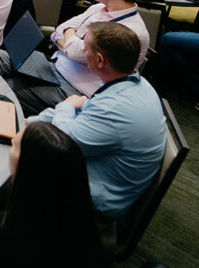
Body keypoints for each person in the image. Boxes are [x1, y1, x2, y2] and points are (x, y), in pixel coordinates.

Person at [29, 22, 167, 220]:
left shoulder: (115, 107)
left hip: (91, 207)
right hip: (97, 175)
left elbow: (63, 142)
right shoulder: (132, 83)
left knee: (16, 163)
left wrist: (66, 105)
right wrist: (29, 121)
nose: (81, 49)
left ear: (100, 60)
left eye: (85, 47)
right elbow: (79, 115)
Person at [0, 0, 149, 116]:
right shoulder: (99, 8)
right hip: (54, 67)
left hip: (76, 91)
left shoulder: (131, 32)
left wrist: (69, 41)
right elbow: (60, 30)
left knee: (6, 87)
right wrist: (70, 43)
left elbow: (78, 53)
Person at [0, 122, 104, 266]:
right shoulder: (84, 232)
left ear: (27, 168)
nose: (11, 142)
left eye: (15, 146)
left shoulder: (1, 232)